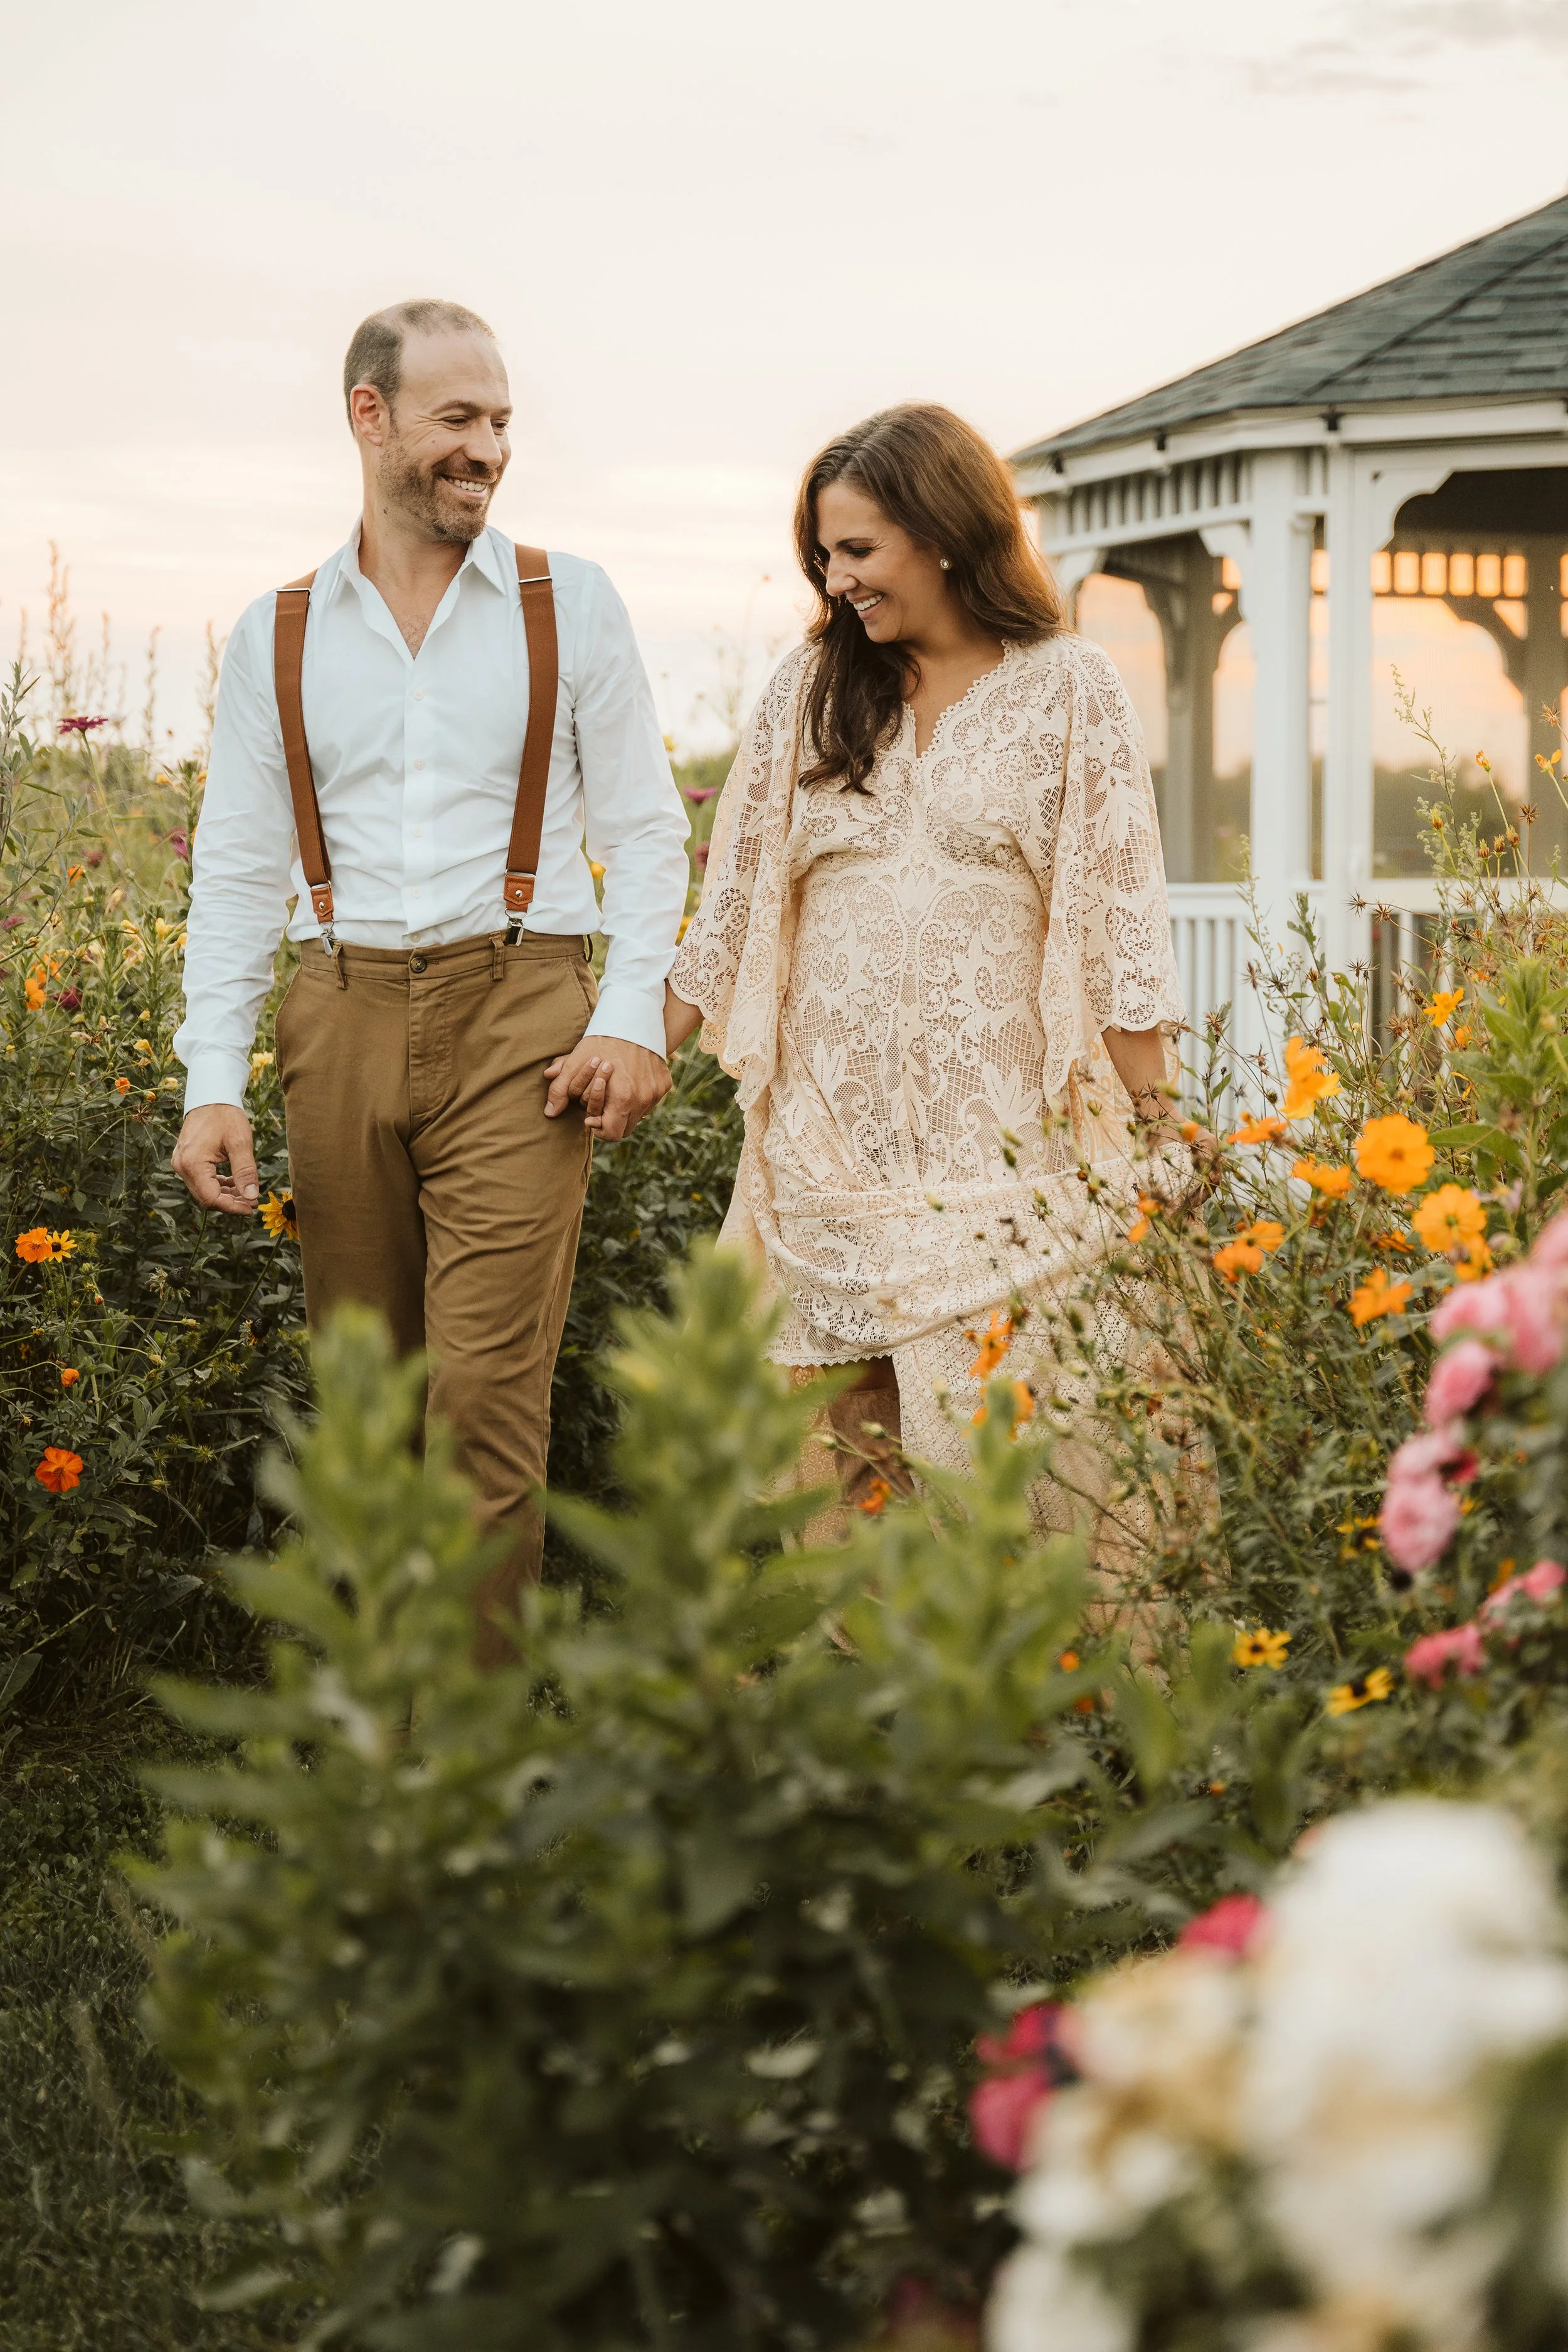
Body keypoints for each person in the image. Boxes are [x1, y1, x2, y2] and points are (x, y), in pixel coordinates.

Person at [172, 298, 689, 1656]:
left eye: (502, 421)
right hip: (337, 1008)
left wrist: (632, 1013)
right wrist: (210, 1082)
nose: (488, 450)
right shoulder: (276, 632)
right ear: (370, 416)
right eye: (457, 420)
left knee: (482, 1403)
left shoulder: (565, 602)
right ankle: (376, 1746)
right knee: (370, 1406)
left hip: (523, 1010)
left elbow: (642, 831)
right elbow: (231, 870)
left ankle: (466, 1763)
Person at [661, 402, 1186, 1508]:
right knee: (842, 1471)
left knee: (1004, 1467)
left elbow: (1116, 930)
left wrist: (1164, 1124)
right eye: (822, 555)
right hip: (825, 1152)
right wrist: (630, 1056)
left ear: (944, 529)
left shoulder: (1069, 689)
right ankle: (854, 1682)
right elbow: (731, 916)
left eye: (858, 549)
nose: (836, 577)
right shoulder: (808, 692)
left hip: (1000, 1163)